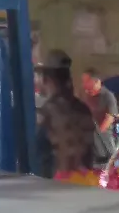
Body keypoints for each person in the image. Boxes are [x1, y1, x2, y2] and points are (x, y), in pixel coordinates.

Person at [35, 49, 97, 179]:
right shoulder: (84, 109)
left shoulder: (46, 112)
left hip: (57, 187)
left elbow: (36, 152)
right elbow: (91, 152)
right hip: (84, 183)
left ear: (46, 80)